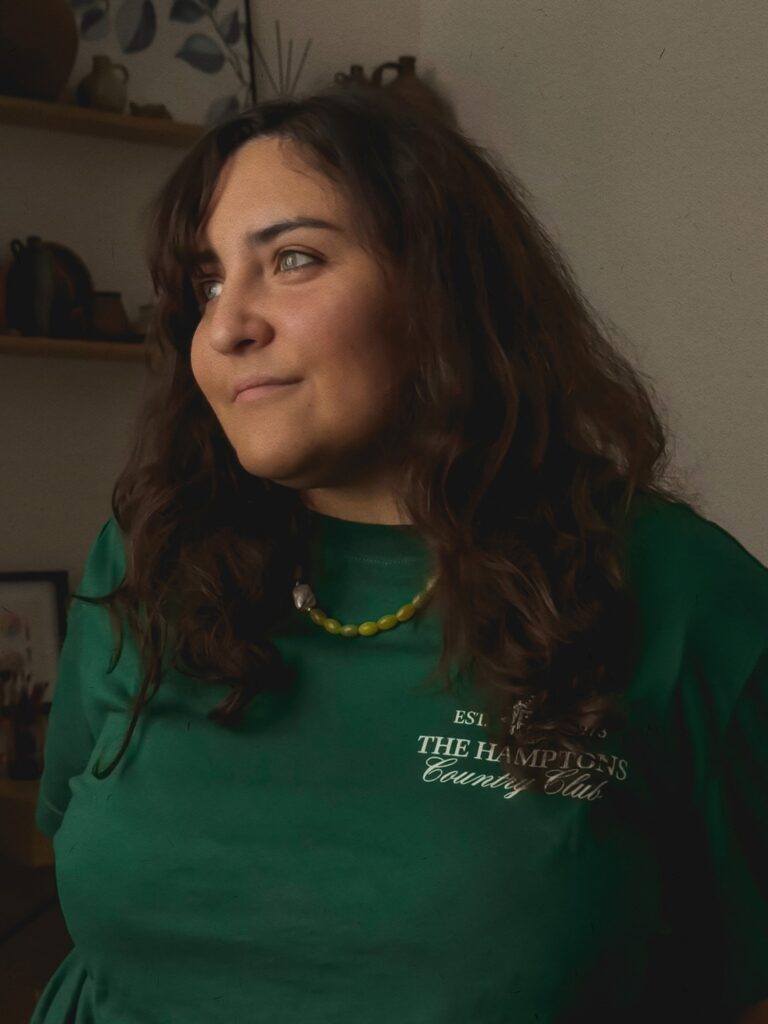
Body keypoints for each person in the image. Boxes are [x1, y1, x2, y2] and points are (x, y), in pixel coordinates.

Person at [31, 83, 767, 1024]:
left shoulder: (681, 594)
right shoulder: (146, 560)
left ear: (439, 288)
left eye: (292, 260)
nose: (224, 326)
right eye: (206, 282)